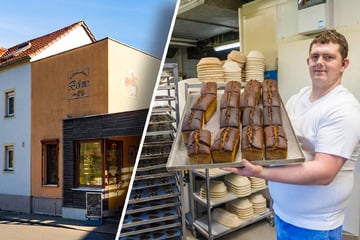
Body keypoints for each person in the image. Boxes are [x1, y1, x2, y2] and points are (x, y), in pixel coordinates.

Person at [224, 29, 360, 240]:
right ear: (308, 61)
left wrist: (260, 172)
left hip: (315, 225)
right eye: (315, 57)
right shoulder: (301, 96)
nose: (319, 62)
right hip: (285, 214)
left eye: (329, 57)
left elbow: (324, 173)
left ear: (344, 65)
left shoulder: (343, 108)